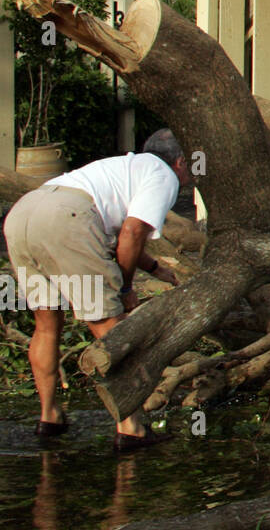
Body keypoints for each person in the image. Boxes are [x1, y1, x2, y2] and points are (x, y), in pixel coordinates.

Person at [3, 130, 189, 451]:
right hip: (66, 219)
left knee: (46, 325)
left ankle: (49, 416)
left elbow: (121, 235)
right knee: (109, 329)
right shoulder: (163, 176)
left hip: (23, 215)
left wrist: (156, 269)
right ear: (180, 161)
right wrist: (126, 287)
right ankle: (130, 428)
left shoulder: (125, 167)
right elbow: (131, 233)